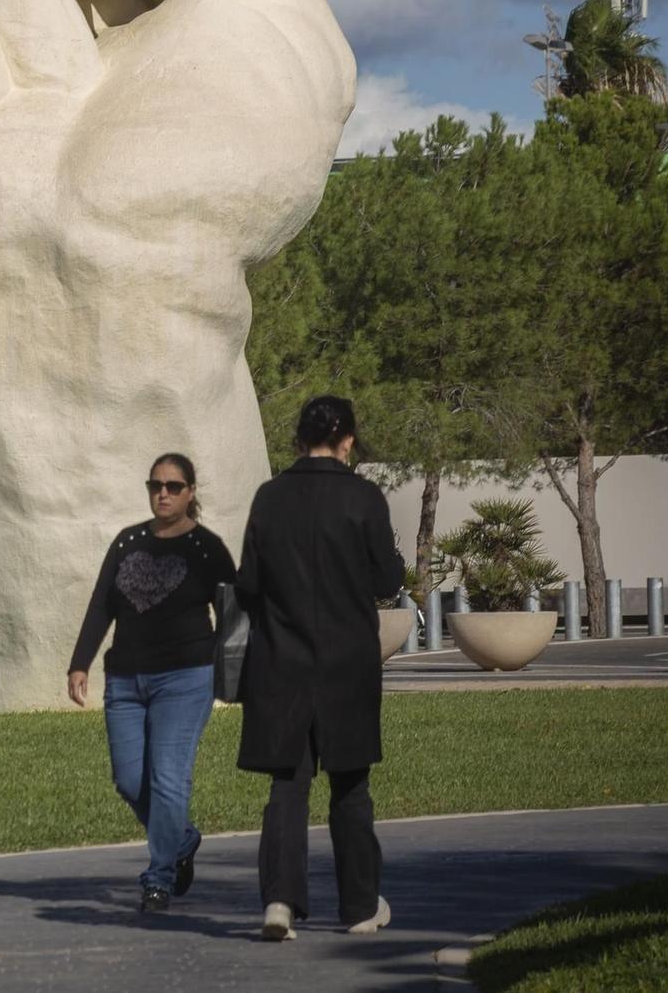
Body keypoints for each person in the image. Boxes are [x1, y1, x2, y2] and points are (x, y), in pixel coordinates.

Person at [236, 395, 405, 942]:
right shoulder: (364, 497)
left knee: (287, 786)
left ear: (298, 438)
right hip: (347, 665)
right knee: (350, 786)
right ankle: (358, 906)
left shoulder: (269, 497)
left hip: (282, 662)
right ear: (348, 441)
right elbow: (386, 581)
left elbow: (249, 585)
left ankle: (280, 903)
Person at [66, 453, 237, 913]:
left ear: (191, 493)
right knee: (128, 779)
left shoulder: (207, 549)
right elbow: (102, 603)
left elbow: (234, 615)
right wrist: (79, 663)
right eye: (156, 484)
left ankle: (158, 878)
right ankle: (182, 839)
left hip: (185, 679)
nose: (163, 492)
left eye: (174, 486)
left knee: (167, 778)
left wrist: (229, 669)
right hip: (125, 680)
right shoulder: (128, 542)